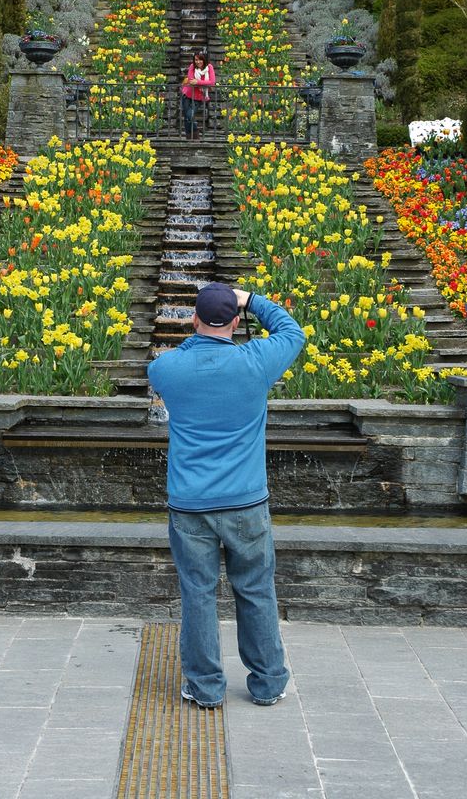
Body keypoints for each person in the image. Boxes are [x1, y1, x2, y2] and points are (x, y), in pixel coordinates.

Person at [147, 282, 305, 708]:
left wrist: (200, 331)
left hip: (190, 504)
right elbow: (293, 332)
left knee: (197, 594)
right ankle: (269, 683)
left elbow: (185, 354)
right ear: (236, 323)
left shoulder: (165, 369)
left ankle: (205, 688)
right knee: (256, 590)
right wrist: (250, 299)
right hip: (247, 502)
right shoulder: (257, 362)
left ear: (193, 319)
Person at [181, 51, 215, 140]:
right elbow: (191, 80)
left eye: (200, 59)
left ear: (204, 60)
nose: (198, 62)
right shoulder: (192, 66)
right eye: (196, 60)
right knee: (187, 118)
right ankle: (189, 138)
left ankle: (195, 138)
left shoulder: (209, 67)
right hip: (187, 94)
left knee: (190, 116)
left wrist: (198, 82)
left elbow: (212, 82)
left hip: (198, 97)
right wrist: (203, 83)